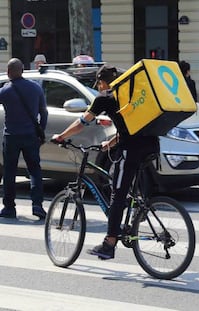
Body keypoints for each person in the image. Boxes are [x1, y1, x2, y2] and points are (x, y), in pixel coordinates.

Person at [52, 65, 160, 260]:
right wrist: (109, 144)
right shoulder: (129, 95)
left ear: (103, 82)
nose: (99, 87)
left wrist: (61, 136)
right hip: (152, 145)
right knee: (117, 178)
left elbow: (82, 122)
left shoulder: (105, 98)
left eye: (99, 83)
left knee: (117, 195)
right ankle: (136, 208)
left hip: (132, 150)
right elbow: (128, 127)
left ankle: (109, 244)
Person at [0, 58, 48, 219]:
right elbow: (44, 112)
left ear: (8, 72)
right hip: (30, 135)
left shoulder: (5, 91)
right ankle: (37, 205)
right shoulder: (35, 88)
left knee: (9, 172)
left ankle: (9, 208)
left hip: (11, 136)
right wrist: (41, 130)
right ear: (22, 70)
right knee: (34, 170)